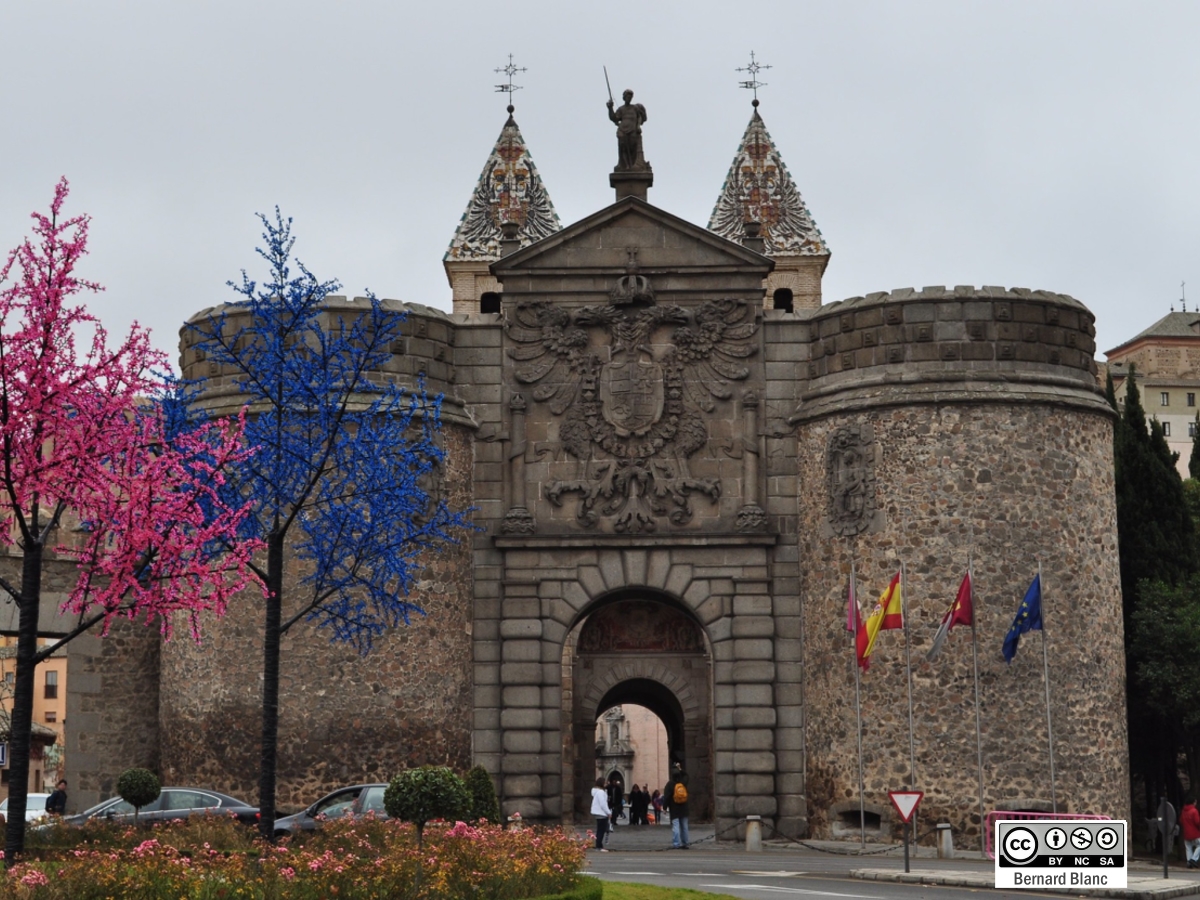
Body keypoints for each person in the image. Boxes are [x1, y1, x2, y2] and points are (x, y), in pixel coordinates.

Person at [606, 89, 647, 171]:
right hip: (622, 130)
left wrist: (638, 126)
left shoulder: (635, 108)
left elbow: (639, 117)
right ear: (624, 98)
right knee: (623, 147)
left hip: (632, 130)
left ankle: (632, 164)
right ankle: (625, 166)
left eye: (630, 97)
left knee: (633, 146)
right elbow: (614, 118)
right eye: (627, 96)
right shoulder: (621, 109)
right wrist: (610, 108)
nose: (629, 98)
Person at [664, 761, 690, 849]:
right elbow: (687, 776)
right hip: (684, 807)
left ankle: (676, 844)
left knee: (676, 826)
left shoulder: (670, 784)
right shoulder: (683, 782)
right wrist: (680, 769)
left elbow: (667, 797)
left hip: (674, 808)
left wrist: (664, 807)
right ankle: (685, 843)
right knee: (684, 826)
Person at [590, 777, 611, 851]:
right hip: (601, 813)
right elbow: (603, 804)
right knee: (601, 830)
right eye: (605, 782)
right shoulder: (601, 792)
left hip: (598, 813)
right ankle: (599, 846)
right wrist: (608, 812)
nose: (606, 783)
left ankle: (599, 845)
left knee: (600, 830)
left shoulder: (598, 792)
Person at [1182, 796, 1200, 867]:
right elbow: (1197, 822)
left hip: (1186, 833)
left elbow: (1181, 820)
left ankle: (1189, 862)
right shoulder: (1194, 811)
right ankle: (1193, 859)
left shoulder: (1183, 811)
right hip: (1195, 833)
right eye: (1195, 802)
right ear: (1193, 802)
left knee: (1188, 848)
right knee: (1199, 845)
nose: (1196, 803)